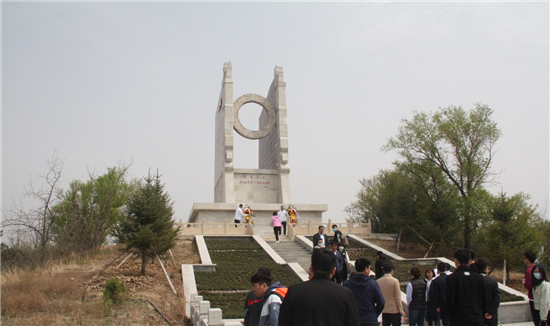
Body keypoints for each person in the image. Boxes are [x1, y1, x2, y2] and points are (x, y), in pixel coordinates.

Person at [279, 248, 360, 326]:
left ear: (311, 268)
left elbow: (284, 322)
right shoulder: (345, 294)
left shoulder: (294, 291)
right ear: (334, 271)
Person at [445, 248, 487, 326]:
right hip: (477, 317)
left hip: (458, 318)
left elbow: (450, 299)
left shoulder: (452, 278)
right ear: (469, 261)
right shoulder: (479, 277)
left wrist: (448, 314)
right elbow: (484, 299)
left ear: (456, 261)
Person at [343, 258, 385, 326]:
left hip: (353, 319)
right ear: (366, 269)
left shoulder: (347, 284)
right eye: (369, 268)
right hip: (370, 319)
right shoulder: (373, 284)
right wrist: (374, 313)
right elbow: (381, 302)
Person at [475, 259, 500, 326]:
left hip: (476, 313)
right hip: (490, 314)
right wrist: (491, 312)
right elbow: (496, 298)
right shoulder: (492, 281)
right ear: (486, 269)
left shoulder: (472, 281)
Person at [524, 251, 538, 324]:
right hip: (541, 296)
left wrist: (524, 283)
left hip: (533, 297)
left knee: (536, 318)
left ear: (528, 259)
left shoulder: (529, 270)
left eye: (524, 258)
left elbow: (529, 285)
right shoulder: (538, 268)